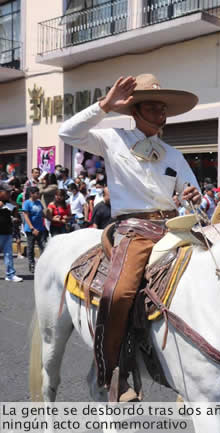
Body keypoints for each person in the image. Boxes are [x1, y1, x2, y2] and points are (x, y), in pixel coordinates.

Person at [58, 73, 201, 401]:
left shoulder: (173, 154)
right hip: (134, 229)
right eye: (153, 107)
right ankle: (113, 372)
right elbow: (67, 133)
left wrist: (192, 194)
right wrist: (104, 106)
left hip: (174, 227)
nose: (161, 114)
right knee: (121, 293)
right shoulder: (112, 139)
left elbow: (190, 192)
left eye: (163, 108)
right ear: (135, 110)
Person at [0, 183, 22, 282]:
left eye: (10, 192)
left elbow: (16, 212)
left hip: (7, 232)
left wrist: (15, 217)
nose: (9, 194)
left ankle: (10, 275)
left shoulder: (10, 203)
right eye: (7, 192)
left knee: (8, 255)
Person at [22, 187, 47, 273]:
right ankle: (31, 264)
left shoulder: (39, 202)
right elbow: (26, 216)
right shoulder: (27, 203)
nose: (38, 194)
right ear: (31, 194)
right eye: (36, 193)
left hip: (41, 228)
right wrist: (32, 228)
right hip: (31, 230)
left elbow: (42, 214)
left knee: (42, 247)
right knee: (31, 248)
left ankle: (43, 264)